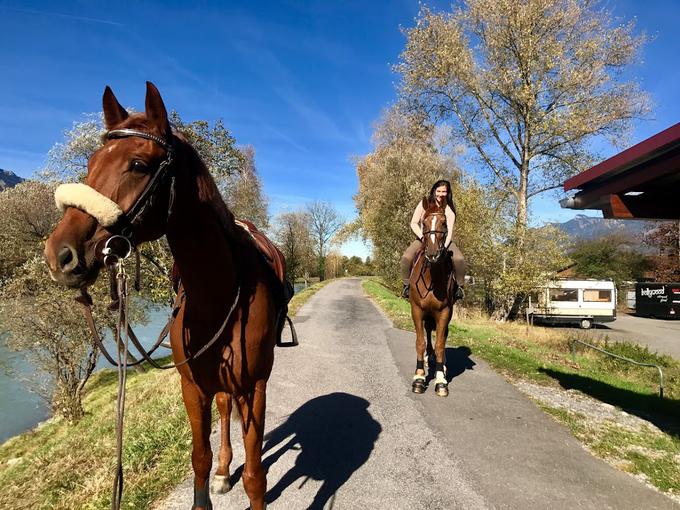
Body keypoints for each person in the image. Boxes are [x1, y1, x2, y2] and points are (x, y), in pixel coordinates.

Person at [400, 180, 466, 299]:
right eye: (438, 191)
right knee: (406, 257)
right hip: (423, 238)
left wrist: (443, 248)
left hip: (442, 240)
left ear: (448, 193)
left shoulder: (449, 210)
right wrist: (421, 237)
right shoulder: (424, 204)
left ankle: (459, 288)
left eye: (444, 191)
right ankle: (406, 286)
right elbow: (413, 223)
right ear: (434, 191)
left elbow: (450, 232)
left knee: (459, 259)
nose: (441, 194)